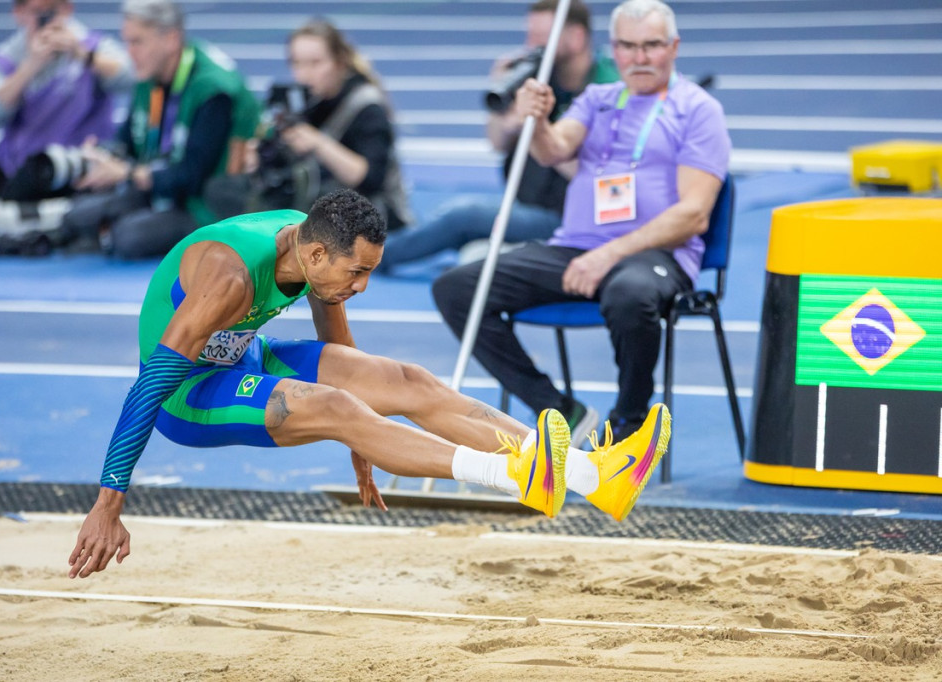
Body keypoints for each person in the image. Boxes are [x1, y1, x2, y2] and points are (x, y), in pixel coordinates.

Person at [66, 189, 671, 578]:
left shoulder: (309, 249)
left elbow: (345, 354)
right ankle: (516, 477)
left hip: (244, 355)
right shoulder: (229, 278)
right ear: (317, 255)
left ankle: (598, 479)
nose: (361, 286)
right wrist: (107, 503)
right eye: (356, 273)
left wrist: (366, 442)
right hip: (186, 394)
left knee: (409, 381)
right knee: (332, 404)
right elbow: (149, 387)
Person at [432, 0, 731, 449]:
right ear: (614, 48)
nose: (640, 58)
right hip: (574, 248)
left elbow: (694, 215)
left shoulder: (697, 110)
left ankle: (628, 428)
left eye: (652, 46)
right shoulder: (598, 99)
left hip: (656, 255)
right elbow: (553, 150)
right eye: (628, 47)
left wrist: (609, 254)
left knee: (629, 293)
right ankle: (560, 410)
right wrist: (537, 119)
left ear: (674, 47)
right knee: (456, 289)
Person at [377, 0, 618, 272]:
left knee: (463, 216)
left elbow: (604, 176)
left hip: (570, 217)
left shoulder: (606, 89)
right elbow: (496, 142)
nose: (531, 45)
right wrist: (508, 115)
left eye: (541, 37)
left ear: (576, 38)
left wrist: (539, 128)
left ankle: (371, 257)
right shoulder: (538, 75)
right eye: (530, 35)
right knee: (466, 233)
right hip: (527, 203)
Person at [56, 0, 258, 259]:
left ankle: (104, 235)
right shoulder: (150, 76)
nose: (129, 53)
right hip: (158, 187)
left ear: (171, 39)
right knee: (77, 215)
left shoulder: (212, 90)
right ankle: (100, 233)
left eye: (138, 42)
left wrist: (127, 174)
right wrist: (102, 156)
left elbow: (193, 175)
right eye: (127, 42)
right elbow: (128, 140)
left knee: (129, 237)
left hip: (203, 204)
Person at [0, 0, 134, 238]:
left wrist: (83, 55)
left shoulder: (93, 46)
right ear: (18, 13)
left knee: (44, 164)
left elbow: (133, 78)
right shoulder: (9, 57)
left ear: (68, 9)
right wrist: (30, 67)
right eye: (36, 12)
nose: (46, 18)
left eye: (53, 10)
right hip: (12, 173)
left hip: (64, 173)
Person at [204, 18, 412, 232]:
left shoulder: (366, 105)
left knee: (320, 204)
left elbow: (368, 178)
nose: (304, 74)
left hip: (371, 209)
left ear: (340, 62)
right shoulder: (306, 98)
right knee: (223, 189)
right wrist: (262, 156)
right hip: (318, 194)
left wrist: (317, 143)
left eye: (315, 63)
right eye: (296, 63)